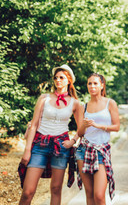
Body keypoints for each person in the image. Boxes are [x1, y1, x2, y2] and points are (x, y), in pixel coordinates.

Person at [19, 64, 83, 205]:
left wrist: (73, 141)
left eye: (61, 77)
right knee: (28, 192)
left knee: (55, 189)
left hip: (61, 147)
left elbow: (81, 128)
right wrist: (27, 150)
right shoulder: (44, 98)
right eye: (56, 77)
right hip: (39, 146)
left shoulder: (75, 103)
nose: (58, 80)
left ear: (69, 80)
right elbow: (34, 124)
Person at [76, 73, 120, 204]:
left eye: (95, 83)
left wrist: (98, 125)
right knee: (89, 194)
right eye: (89, 83)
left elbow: (116, 127)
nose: (92, 86)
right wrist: (83, 126)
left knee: (99, 195)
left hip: (100, 151)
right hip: (83, 151)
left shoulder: (110, 103)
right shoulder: (83, 106)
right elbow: (80, 132)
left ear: (102, 85)